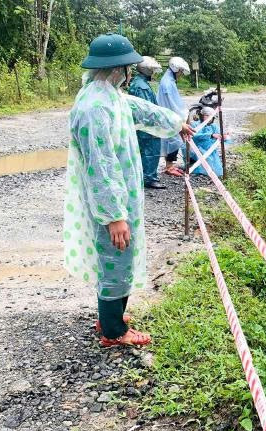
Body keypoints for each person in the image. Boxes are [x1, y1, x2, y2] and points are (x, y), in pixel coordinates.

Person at [64, 33, 194, 347]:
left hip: (122, 197)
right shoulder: (95, 108)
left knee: (119, 256)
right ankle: (113, 332)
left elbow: (141, 110)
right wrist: (114, 216)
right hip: (111, 202)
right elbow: (101, 166)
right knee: (115, 257)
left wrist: (176, 123)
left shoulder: (109, 96)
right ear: (116, 68)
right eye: (127, 68)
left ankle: (111, 317)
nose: (129, 73)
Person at [128, 56, 165, 189]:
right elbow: (146, 109)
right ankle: (149, 178)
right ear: (147, 70)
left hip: (140, 125)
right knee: (150, 151)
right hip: (146, 126)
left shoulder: (138, 82)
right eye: (152, 70)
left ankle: (145, 176)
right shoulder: (142, 86)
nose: (153, 73)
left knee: (144, 150)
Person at [157, 56, 192, 177]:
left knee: (171, 139)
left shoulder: (168, 80)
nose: (181, 74)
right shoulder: (168, 83)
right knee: (174, 140)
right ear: (176, 69)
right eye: (181, 71)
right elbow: (173, 103)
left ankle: (169, 165)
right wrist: (183, 116)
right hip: (170, 114)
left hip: (168, 113)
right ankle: (169, 166)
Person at [188, 106, 229, 177]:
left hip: (210, 150)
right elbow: (195, 135)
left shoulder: (214, 126)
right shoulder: (194, 124)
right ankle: (193, 165)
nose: (209, 118)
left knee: (216, 169)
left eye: (210, 116)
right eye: (206, 115)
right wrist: (211, 135)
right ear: (201, 116)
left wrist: (224, 136)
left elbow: (219, 135)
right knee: (205, 162)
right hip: (196, 148)